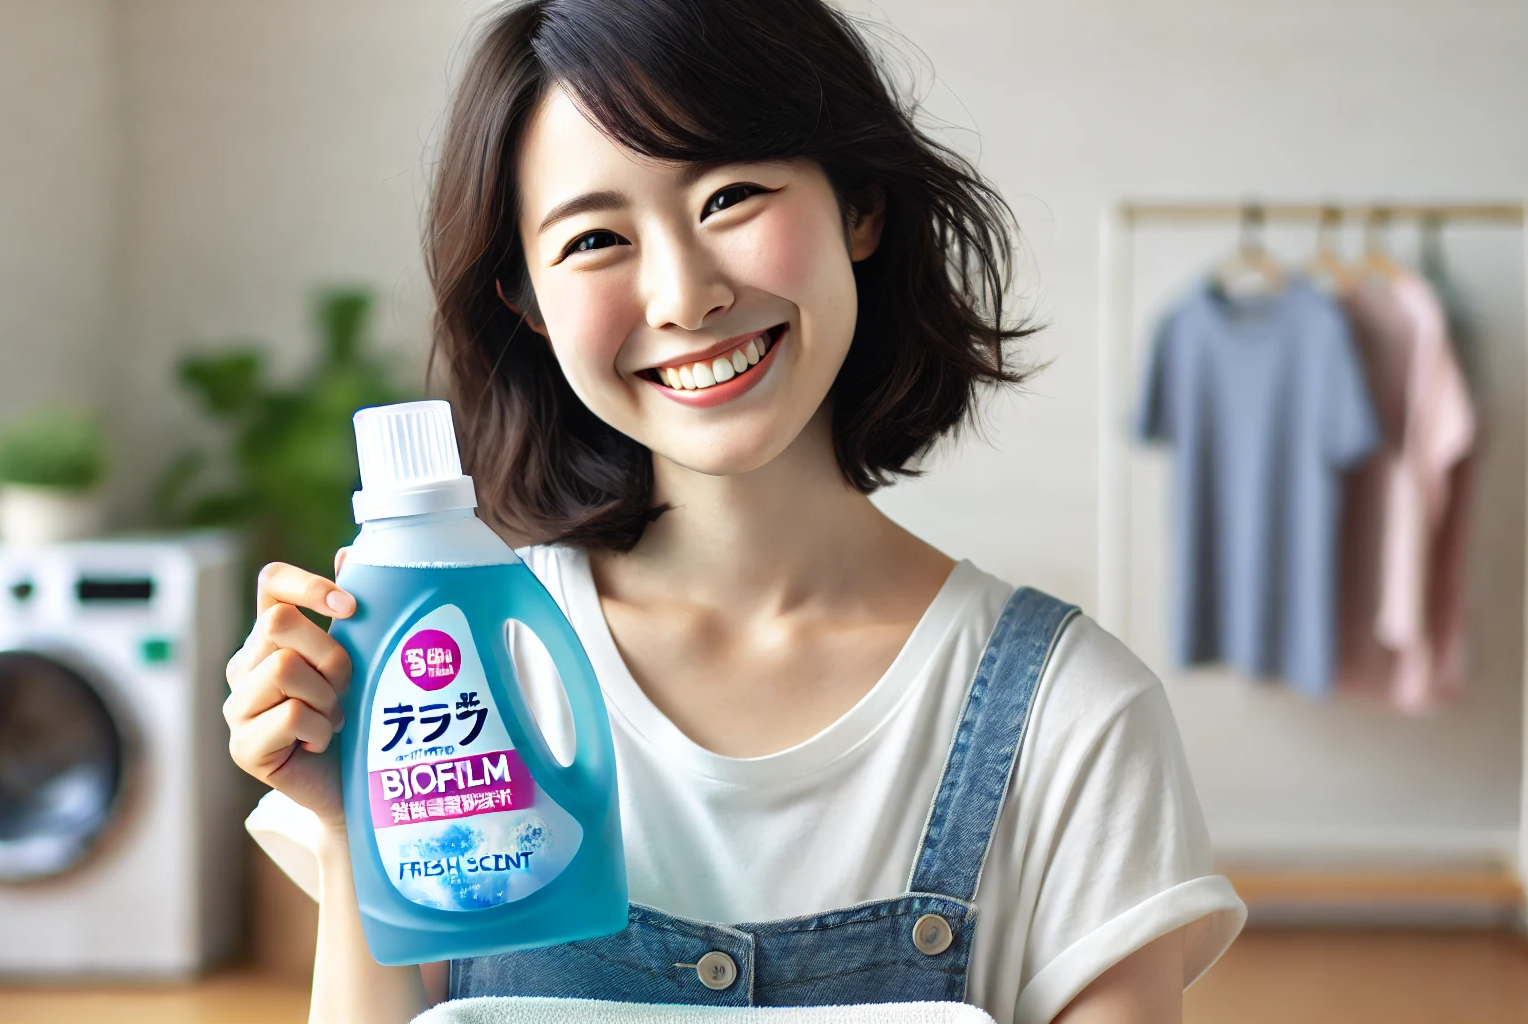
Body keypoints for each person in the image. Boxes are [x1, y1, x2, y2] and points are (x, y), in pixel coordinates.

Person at [224, 1, 1245, 1022]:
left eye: (731, 195)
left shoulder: (1072, 720)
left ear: (859, 206)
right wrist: (355, 821)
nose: (682, 293)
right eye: (593, 239)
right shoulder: (453, 686)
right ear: (528, 302)